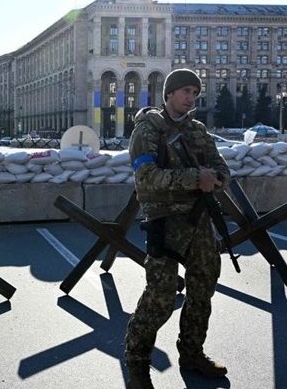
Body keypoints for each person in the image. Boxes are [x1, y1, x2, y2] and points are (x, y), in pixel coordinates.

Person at [125, 69, 230, 389]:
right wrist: (195, 178)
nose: (191, 98)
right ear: (169, 93)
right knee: (161, 294)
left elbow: (222, 171)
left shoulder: (198, 130)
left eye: (195, 93)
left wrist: (213, 179)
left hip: (199, 220)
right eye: (185, 91)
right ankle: (137, 359)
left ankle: (192, 353)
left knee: (203, 288)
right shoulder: (148, 129)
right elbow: (146, 177)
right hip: (165, 220)